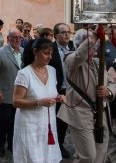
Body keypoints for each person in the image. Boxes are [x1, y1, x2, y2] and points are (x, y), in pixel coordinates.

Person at [58, 28, 116, 163]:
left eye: (96, 46)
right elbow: (80, 55)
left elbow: (111, 82)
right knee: (88, 156)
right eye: (92, 45)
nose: (95, 49)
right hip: (80, 115)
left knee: (100, 154)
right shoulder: (71, 59)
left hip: (101, 114)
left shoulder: (98, 62)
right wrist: (95, 35)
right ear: (79, 45)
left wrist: (108, 91)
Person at [13, 37, 66, 163]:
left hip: (48, 126)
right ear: (35, 52)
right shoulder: (24, 74)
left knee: (48, 157)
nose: (50, 57)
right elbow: (16, 101)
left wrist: (59, 97)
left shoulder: (52, 71)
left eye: (51, 54)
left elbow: (50, 92)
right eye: (46, 53)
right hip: (29, 126)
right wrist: (39, 102)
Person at [0, 29, 23, 157]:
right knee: (5, 120)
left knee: (16, 121)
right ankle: (0, 142)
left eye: (19, 38)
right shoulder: (0, 52)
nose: (17, 40)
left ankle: (12, 142)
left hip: (20, 95)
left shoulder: (24, 52)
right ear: (8, 38)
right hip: (5, 93)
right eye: (14, 37)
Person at [52, 23, 75, 159]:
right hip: (57, 90)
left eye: (68, 32)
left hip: (72, 91)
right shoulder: (51, 49)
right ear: (55, 35)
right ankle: (57, 145)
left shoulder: (74, 48)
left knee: (66, 121)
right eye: (63, 32)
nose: (67, 35)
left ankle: (60, 143)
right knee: (57, 120)